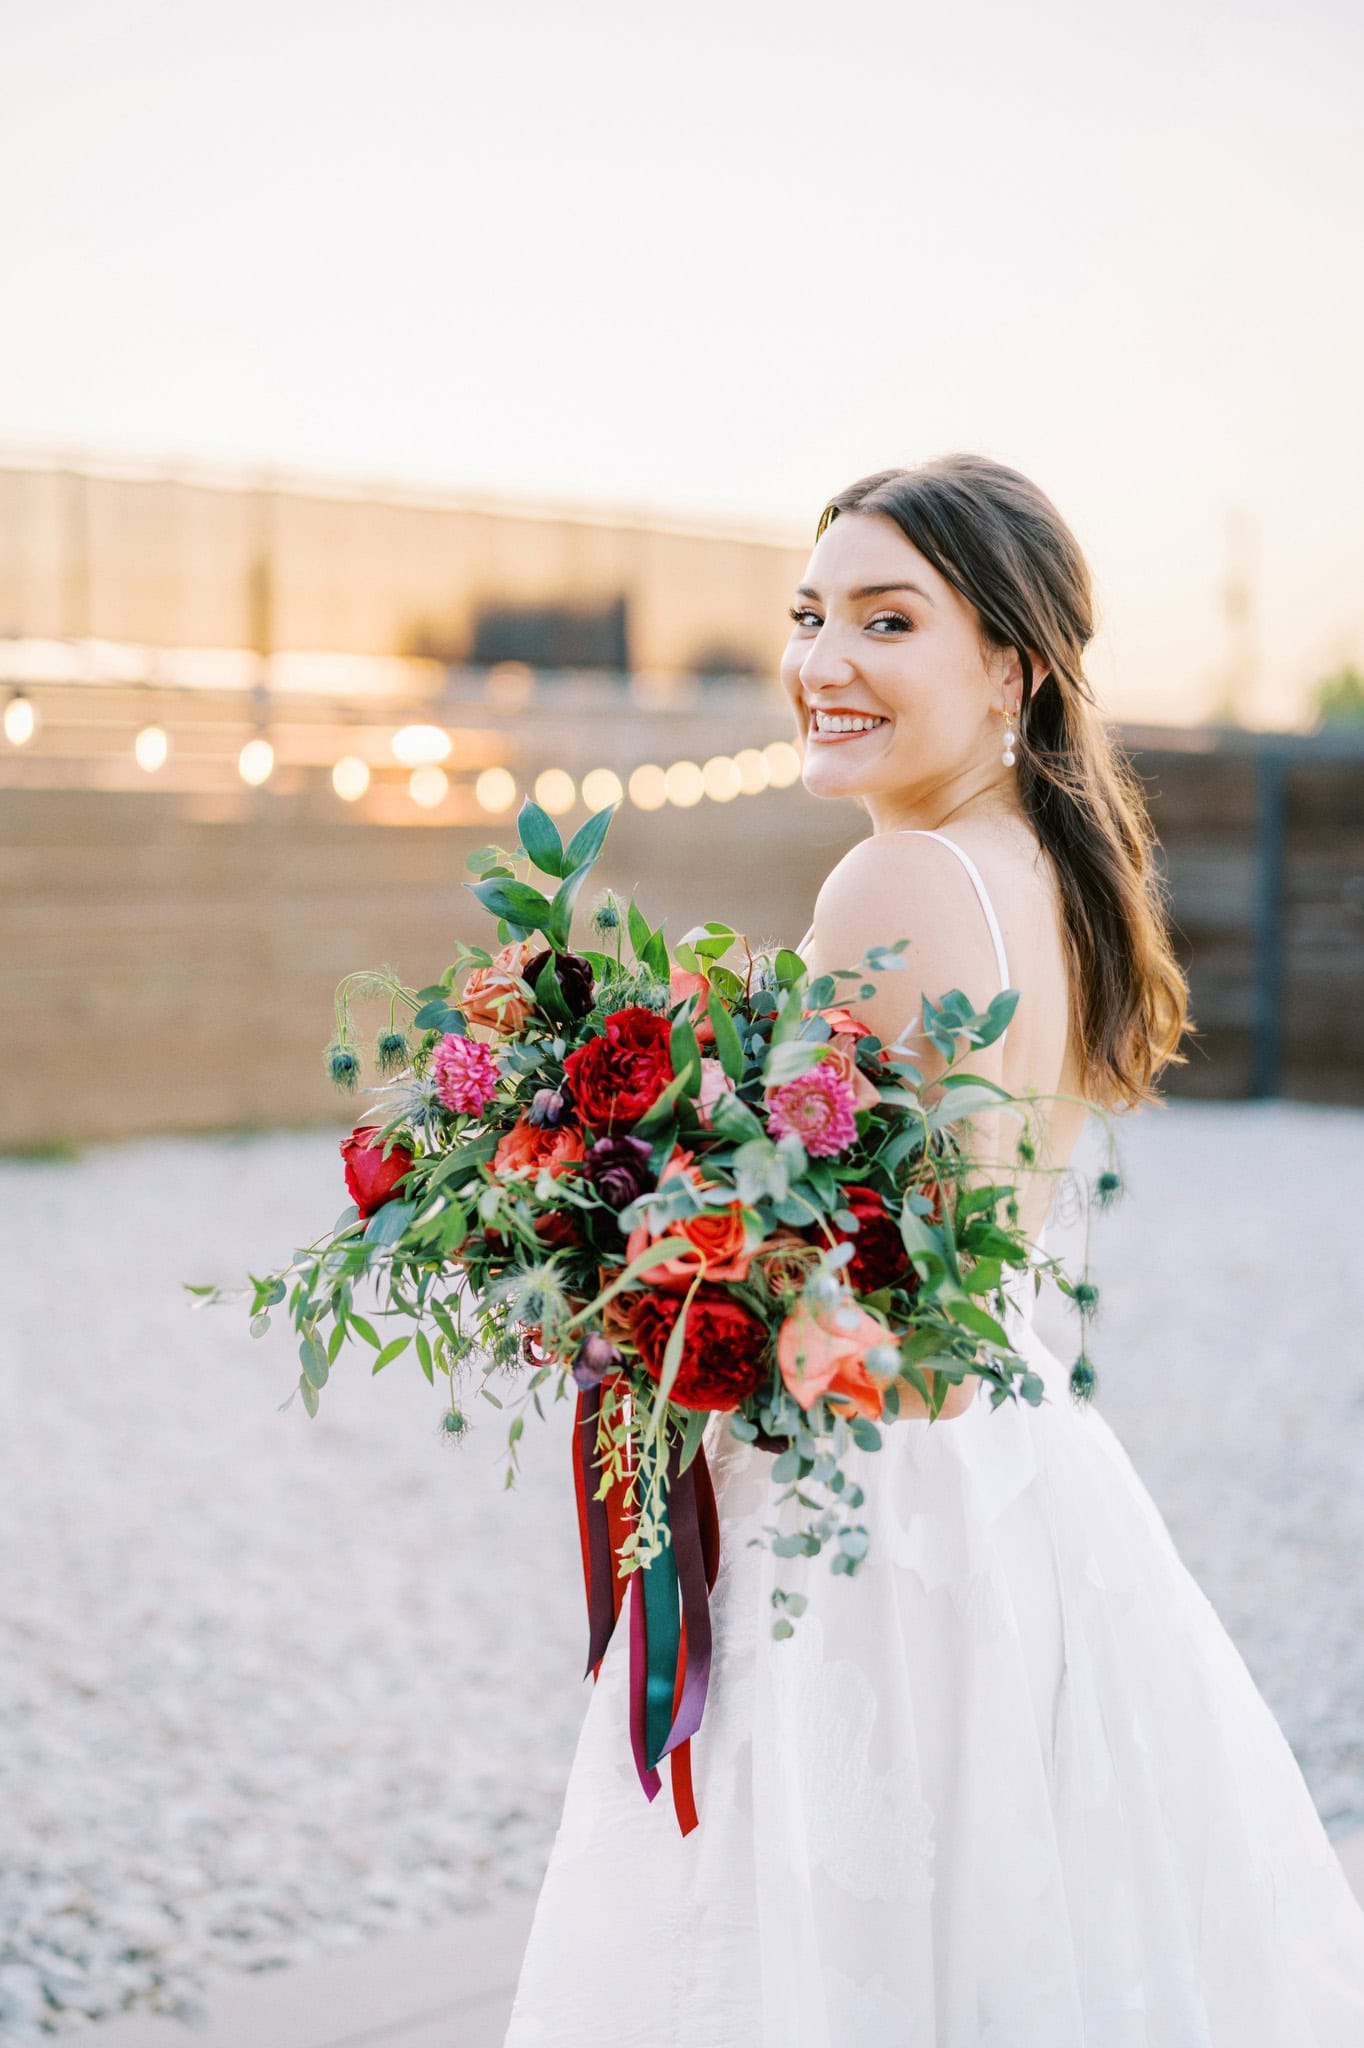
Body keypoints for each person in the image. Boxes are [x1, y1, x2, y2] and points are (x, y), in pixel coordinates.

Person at [503, 456, 1364, 2044]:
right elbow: (948, 1257)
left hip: (872, 1495)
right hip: (1018, 1469)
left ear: (1012, 666)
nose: (823, 661)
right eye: (810, 612)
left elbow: (879, 1318)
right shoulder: (1047, 876)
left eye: (886, 621)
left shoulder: (893, 877)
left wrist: (632, 1256)